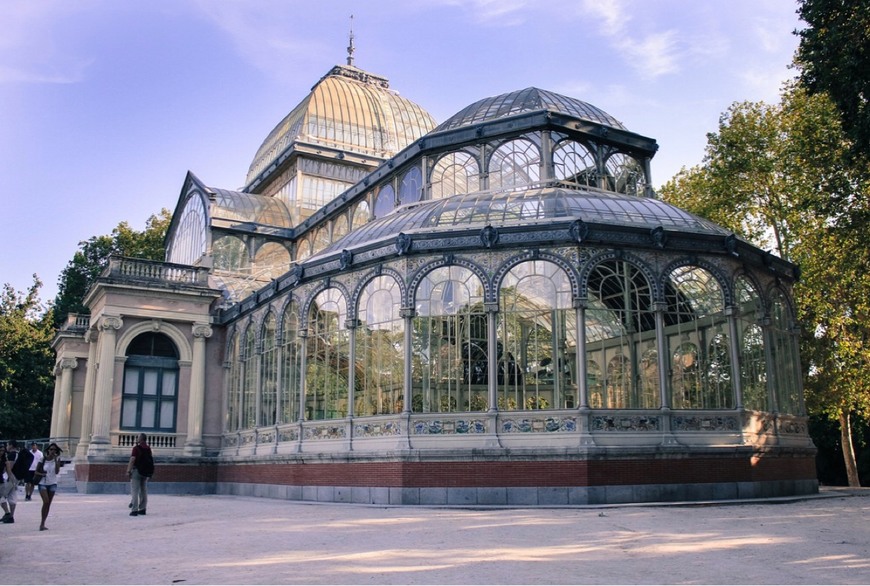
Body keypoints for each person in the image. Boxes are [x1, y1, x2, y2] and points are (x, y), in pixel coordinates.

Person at [1, 440, 32, 524]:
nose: (7, 446)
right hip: (17, 478)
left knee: (1, 495)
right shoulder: (19, 454)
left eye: (8, 445)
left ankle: (7, 513)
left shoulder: (12, 455)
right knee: (12, 496)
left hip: (10, 477)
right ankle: (11, 517)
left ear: (11, 445)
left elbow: (9, 468)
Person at [33, 443, 62, 531]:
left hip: (52, 483)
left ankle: (43, 523)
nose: (53, 451)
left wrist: (57, 461)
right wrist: (42, 474)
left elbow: (57, 472)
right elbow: (36, 472)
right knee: (46, 501)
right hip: (43, 483)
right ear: (48, 450)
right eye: (51, 449)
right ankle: (42, 523)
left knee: (48, 504)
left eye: (54, 450)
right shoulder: (43, 459)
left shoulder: (56, 460)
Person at [126, 433, 153, 516]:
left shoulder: (136, 448)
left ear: (141, 439)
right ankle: (142, 508)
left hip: (137, 471)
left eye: (138, 437)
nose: (137, 439)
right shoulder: (148, 448)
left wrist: (128, 471)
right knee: (143, 490)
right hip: (145, 472)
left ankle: (134, 509)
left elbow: (132, 459)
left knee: (135, 490)